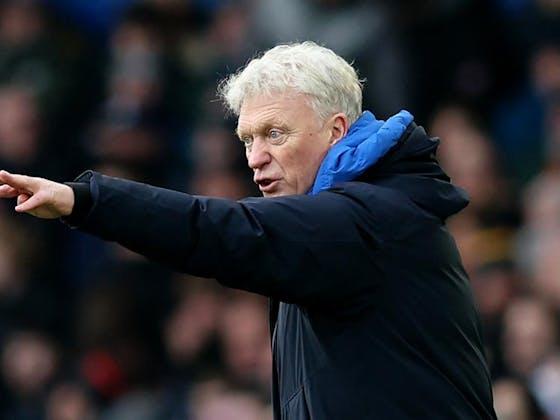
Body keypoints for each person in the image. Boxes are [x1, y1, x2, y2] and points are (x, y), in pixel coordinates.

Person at [0, 42, 496, 419]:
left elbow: (216, 229)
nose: (255, 157)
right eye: (247, 139)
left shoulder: (370, 218)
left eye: (275, 134)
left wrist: (86, 200)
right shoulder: (329, 226)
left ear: (336, 130)